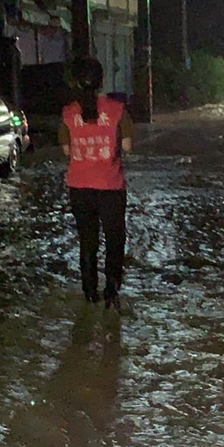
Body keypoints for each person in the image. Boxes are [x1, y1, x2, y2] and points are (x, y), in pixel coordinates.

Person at [59, 57, 133, 310]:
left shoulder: (68, 113)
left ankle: (89, 292)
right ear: (101, 81)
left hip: (79, 188)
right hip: (110, 186)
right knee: (115, 239)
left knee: (87, 239)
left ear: (76, 82)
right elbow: (128, 146)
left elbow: (67, 151)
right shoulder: (118, 109)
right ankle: (111, 290)